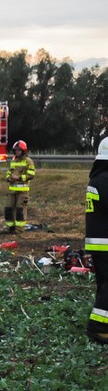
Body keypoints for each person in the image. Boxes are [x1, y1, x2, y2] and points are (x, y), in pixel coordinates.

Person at [84, 137, 108, 344]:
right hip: (106, 241)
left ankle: (103, 322)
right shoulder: (106, 180)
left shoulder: (97, 178)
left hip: (97, 241)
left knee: (103, 284)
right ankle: (98, 327)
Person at [4, 140, 36, 234]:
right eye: (16, 150)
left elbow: (31, 174)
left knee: (20, 210)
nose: (17, 152)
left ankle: (19, 230)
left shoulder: (28, 161)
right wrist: (9, 178)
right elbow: (9, 172)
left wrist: (19, 178)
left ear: (23, 150)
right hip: (12, 190)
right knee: (8, 209)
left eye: (19, 150)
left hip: (22, 191)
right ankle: (10, 228)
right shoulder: (13, 161)